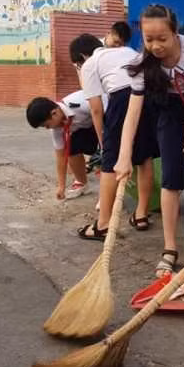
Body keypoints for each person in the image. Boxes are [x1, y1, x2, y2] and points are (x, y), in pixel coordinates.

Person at [114, 5, 184, 277]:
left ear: (175, 31)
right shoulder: (142, 66)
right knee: (170, 178)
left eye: (162, 38)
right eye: (149, 39)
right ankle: (169, 248)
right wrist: (123, 156)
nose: (156, 46)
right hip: (170, 113)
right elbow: (132, 114)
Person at [69, 34, 159, 239]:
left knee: (110, 163)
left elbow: (96, 109)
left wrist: (104, 143)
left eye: (77, 65)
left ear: (82, 56)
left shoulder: (90, 64)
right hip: (149, 98)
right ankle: (141, 215)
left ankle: (103, 224)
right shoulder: (125, 50)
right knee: (144, 158)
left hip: (123, 99)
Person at [26, 90, 105, 201]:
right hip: (88, 128)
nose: (48, 128)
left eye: (46, 125)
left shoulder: (81, 103)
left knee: (108, 152)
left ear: (54, 113)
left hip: (105, 117)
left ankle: (108, 190)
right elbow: (61, 156)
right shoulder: (56, 129)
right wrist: (61, 186)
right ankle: (82, 183)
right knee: (70, 148)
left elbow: (105, 110)